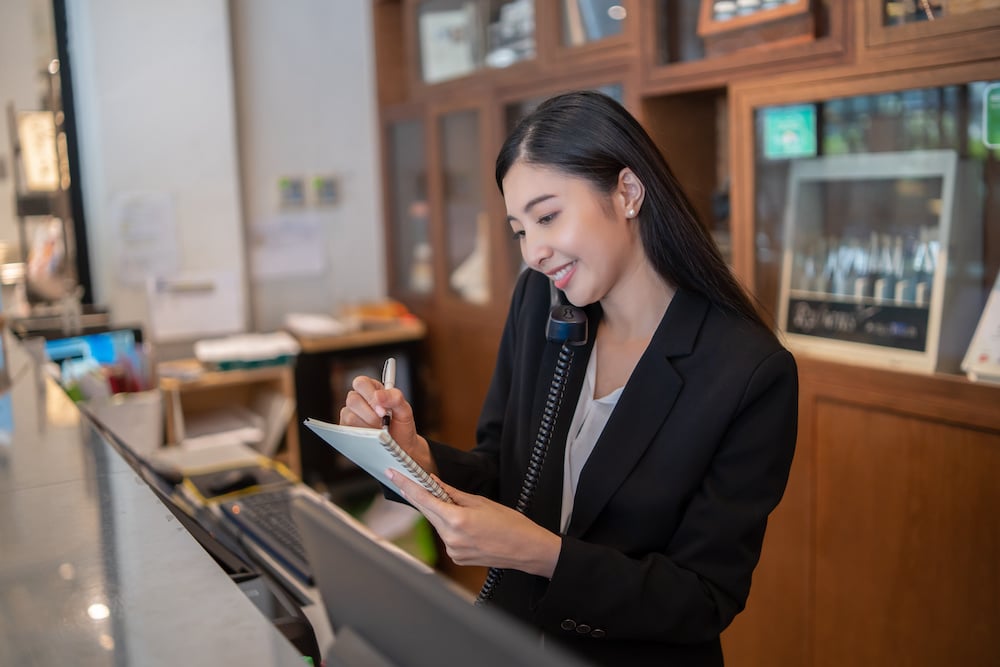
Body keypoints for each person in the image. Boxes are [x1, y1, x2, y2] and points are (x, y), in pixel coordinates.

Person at [340, 90, 798, 667]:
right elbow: (507, 473)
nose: (533, 252)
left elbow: (702, 598)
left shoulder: (748, 372)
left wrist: (546, 555)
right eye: (519, 230)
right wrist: (415, 458)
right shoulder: (542, 303)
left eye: (548, 216)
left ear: (628, 193)